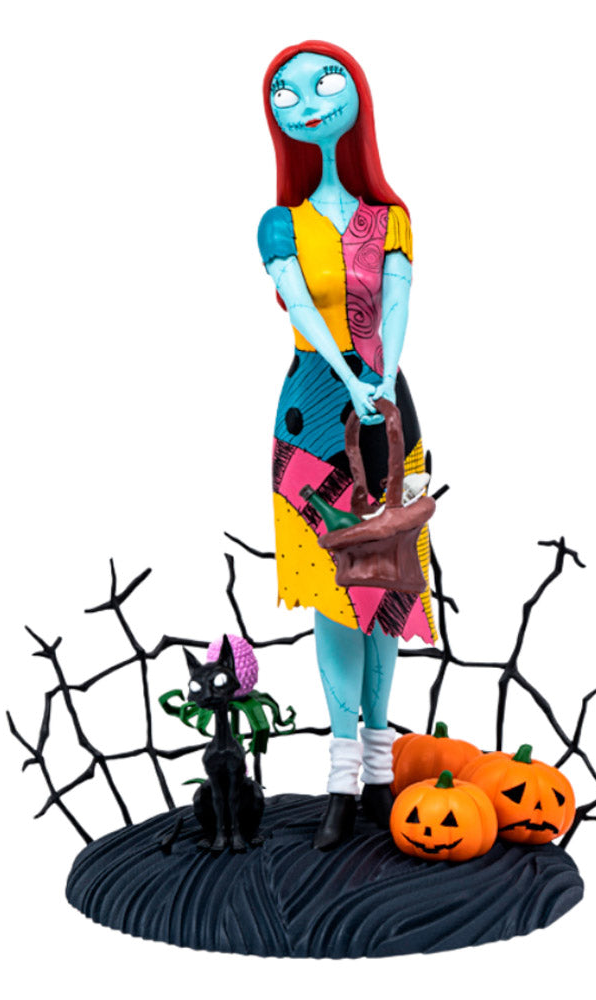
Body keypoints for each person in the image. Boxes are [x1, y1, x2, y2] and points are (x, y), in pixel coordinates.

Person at [258, 41, 436, 849]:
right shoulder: (279, 224)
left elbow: (396, 306)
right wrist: (352, 378)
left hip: (391, 420)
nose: (308, 101)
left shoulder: (391, 218)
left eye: (325, 82)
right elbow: (300, 309)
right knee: (336, 594)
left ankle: (378, 766)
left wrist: (382, 378)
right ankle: (339, 776)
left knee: (388, 585)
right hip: (312, 415)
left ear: (357, 96)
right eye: (285, 92)